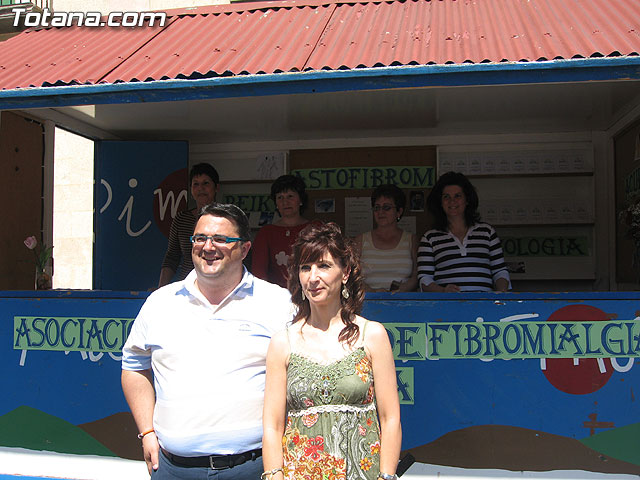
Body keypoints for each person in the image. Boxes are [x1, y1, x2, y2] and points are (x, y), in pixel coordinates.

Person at [122, 203, 293, 479]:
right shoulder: (159, 303)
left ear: (245, 249)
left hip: (254, 468)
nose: (208, 246)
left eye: (221, 239)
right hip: (172, 469)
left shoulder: (278, 303)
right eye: (200, 238)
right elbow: (133, 365)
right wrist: (147, 432)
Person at [262, 222, 401, 480]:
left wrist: (386, 476)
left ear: (345, 272)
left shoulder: (372, 335)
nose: (313, 277)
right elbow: (272, 425)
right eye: (305, 267)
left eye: (323, 266)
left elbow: (390, 417)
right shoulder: (283, 342)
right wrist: (273, 475)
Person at [417, 171, 510, 292]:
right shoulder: (430, 238)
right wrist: (443, 291)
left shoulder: (487, 232)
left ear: (467, 200)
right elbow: (424, 279)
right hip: (447, 307)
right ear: (440, 203)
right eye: (446, 197)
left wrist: (502, 293)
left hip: (485, 307)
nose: (452, 201)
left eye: (458, 196)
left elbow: (500, 271)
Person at [158, 163, 219, 287]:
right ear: (191, 190)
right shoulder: (181, 219)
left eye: (205, 183)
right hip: (188, 287)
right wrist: (161, 289)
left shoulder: (226, 219)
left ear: (216, 187)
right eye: (196, 184)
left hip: (219, 285)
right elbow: (172, 257)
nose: (200, 188)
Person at [252, 174, 315, 288]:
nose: (285, 202)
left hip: (311, 295)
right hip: (276, 299)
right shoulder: (266, 233)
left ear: (300, 200)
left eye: (290, 196)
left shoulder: (315, 229)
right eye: (280, 197)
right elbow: (258, 274)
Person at [355, 184, 418, 292]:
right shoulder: (361, 240)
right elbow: (352, 275)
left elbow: (417, 276)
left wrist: (402, 290)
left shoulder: (411, 240)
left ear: (399, 211)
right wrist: (372, 291)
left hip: (404, 304)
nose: (380, 212)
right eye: (377, 207)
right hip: (368, 304)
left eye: (386, 207)